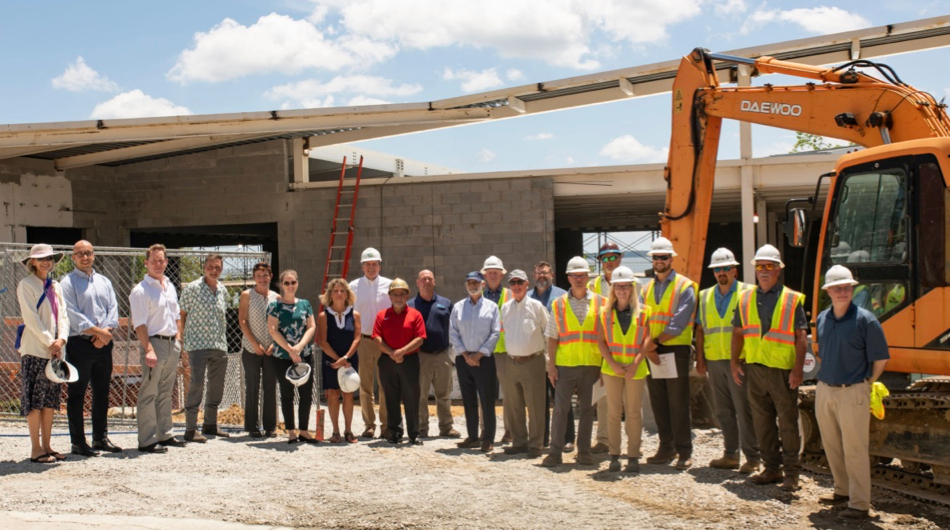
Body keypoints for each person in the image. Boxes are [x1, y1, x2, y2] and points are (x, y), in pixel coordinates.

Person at [815, 265, 889, 520]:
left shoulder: (865, 320)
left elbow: (880, 359)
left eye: (847, 287)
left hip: (852, 391)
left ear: (852, 289)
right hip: (825, 389)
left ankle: (859, 503)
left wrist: (866, 383)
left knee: (855, 448)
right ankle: (842, 490)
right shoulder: (823, 318)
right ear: (829, 291)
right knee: (832, 445)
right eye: (837, 287)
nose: (843, 291)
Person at [731, 244, 808, 491]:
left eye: (770, 266)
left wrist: (798, 369)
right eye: (760, 266)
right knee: (762, 422)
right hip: (755, 369)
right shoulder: (745, 298)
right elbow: (738, 333)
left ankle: (792, 473)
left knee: (787, 422)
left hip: (782, 372)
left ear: (778, 270)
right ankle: (771, 469)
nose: (764, 271)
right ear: (755, 270)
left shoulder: (792, 299)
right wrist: (734, 362)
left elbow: (801, 337)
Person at [695, 248, 760, 473]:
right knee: (723, 411)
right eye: (717, 269)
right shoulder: (704, 296)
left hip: (740, 361)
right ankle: (730, 455)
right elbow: (700, 329)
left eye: (726, 268)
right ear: (713, 272)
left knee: (744, 410)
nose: (721, 273)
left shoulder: (748, 293)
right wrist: (700, 359)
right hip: (714, 361)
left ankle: (752, 457)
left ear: (734, 270)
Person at [542, 256, 606, 467]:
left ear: (588, 277)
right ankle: (555, 452)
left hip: (592, 365)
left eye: (582, 275)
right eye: (574, 275)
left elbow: (606, 337)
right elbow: (552, 337)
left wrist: (604, 366)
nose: (579, 279)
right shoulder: (558, 304)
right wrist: (551, 366)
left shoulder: (600, 302)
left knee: (588, 409)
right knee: (561, 408)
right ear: (568, 278)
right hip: (565, 366)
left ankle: (584, 451)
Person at [60, 240, 122, 456]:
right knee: (77, 394)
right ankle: (78, 442)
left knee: (102, 393)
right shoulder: (66, 283)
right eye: (79, 254)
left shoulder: (104, 281)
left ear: (94, 255)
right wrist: (99, 332)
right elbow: (72, 314)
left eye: (88, 253)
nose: (84, 257)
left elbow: (113, 308)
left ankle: (100, 438)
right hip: (80, 344)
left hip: (104, 344)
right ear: (73, 258)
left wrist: (106, 333)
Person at [642, 237, 697, 470]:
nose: (660, 261)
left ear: (671, 259)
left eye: (664, 257)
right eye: (656, 257)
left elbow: (678, 323)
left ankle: (684, 451)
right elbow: (642, 320)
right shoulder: (646, 289)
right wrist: (648, 347)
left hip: (674, 348)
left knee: (678, 402)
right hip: (652, 349)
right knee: (659, 402)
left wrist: (652, 344)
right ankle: (666, 447)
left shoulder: (686, 286)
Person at [596, 266, 658, 473]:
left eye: (626, 286)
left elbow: (647, 339)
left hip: (635, 369)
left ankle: (633, 457)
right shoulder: (604, 313)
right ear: (613, 289)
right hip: (612, 368)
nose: (622, 290)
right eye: (618, 286)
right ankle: (614, 455)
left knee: (633, 413)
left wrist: (636, 363)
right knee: (613, 413)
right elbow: (601, 341)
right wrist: (613, 364)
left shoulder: (644, 311)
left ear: (632, 288)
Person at [16, 244, 70, 463]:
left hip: (54, 352)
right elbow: (31, 318)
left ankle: (47, 446)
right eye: (41, 259)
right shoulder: (25, 285)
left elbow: (63, 316)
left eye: (49, 258)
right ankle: (35, 448)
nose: (46, 262)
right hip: (35, 350)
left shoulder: (55, 285)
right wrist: (51, 342)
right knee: (35, 401)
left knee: (49, 401)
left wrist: (62, 340)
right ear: (33, 263)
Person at [130, 243, 185, 453]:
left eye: (161, 260)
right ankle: (146, 440)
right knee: (149, 392)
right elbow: (140, 324)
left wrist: (178, 339)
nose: (158, 264)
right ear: (146, 263)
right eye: (154, 260)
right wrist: (149, 349)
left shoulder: (169, 285)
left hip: (172, 343)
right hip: (154, 343)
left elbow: (177, 315)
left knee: (165, 391)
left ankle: (165, 433)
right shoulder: (140, 291)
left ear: (166, 262)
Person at [499, 269, 549, 458]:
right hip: (511, 361)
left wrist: (548, 362)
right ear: (510, 286)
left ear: (527, 284)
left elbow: (548, 333)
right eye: (513, 283)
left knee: (535, 405)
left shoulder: (537, 307)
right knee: (514, 405)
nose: (517, 286)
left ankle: (536, 444)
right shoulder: (506, 308)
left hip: (533, 361)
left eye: (520, 282)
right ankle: (519, 442)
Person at [180, 253, 230, 442]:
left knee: (216, 387)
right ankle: (190, 429)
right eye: (211, 266)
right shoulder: (192, 289)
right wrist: (183, 340)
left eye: (217, 267)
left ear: (221, 269)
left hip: (219, 345)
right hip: (197, 345)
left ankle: (210, 424)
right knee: (197, 385)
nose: (214, 270)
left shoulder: (223, 291)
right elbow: (181, 315)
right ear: (204, 267)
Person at [450, 272, 501, 452]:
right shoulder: (458, 307)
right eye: (470, 282)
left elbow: (495, 333)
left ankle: (488, 438)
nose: (473, 285)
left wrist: (478, 355)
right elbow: (453, 332)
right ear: (465, 286)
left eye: (476, 282)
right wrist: (465, 355)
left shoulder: (492, 307)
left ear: (483, 285)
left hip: (484, 360)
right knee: (468, 399)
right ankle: (472, 436)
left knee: (487, 400)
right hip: (463, 359)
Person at [373, 278, 427, 445]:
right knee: (391, 397)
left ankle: (414, 433)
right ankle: (395, 432)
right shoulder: (382, 315)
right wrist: (391, 353)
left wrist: (402, 351)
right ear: (390, 296)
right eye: (395, 294)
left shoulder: (415, 314)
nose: (398, 298)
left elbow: (420, 338)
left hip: (409, 360)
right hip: (387, 360)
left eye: (402, 294)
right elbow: (376, 337)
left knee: (411, 397)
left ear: (407, 295)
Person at [267, 270, 318, 444]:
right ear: (281, 285)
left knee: (306, 393)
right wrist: (290, 350)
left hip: (304, 354)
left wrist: (300, 347)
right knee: (287, 394)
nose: (290, 286)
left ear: (297, 283)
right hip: (282, 356)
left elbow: (311, 327)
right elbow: (273, 330)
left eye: (293, 282)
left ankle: (303, 430)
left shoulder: (305, 304)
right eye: (286, 283)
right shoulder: (275, 306)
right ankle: (291, 432)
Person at [408, 270, 459, 438]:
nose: (427, 282)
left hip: (443, 355)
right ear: (418, 282)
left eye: (430, 279)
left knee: (443, 395)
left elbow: (454, 327)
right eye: (424, 279)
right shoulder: (411, 305)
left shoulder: (445, 303)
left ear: (434, 282)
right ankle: (422, 428)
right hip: (421, 356)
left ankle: (446, 427)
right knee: (421, 395)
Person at [528, 261, 573, 451]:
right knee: (540, 400)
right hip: (536, 355)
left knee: (562, 399)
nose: (541, 277)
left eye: (545, 273)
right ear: (533, 275)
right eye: (538, 273)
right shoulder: (527, 297)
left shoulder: (562, 296)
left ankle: (568, 438)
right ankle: (543, 439)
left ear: (552, 275)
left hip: (557, 354)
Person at [588, 242, 628, 454]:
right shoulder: (592, 287)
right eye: (605, 258)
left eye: (613, 257)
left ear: (620, 259)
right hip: (602, 348)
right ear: (600, 261)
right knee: (603, 396)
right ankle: (604, 440)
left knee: (630, 399)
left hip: (627, 347)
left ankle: (632, 443)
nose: (610, 262)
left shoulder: (632, 283)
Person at [349, 247, 392, 439]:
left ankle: (385, 425)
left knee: (385, 384)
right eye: (368, 264)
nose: (371, 267)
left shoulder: (390, 286)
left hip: (385, 341)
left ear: (380, 265)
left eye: (375, 264)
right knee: (365, 385)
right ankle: (369, 425)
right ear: (362, 266)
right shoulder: (354, 287)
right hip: (365, 340)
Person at [317, 278, 361, 444]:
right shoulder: (324, 315)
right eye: (335, 291)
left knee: (348, 394)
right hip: (331, 360)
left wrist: (345, 358)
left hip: (350, 358)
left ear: (347, 294)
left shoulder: (354, 314)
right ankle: (335, 431)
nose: (339, 294)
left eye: (342, 291)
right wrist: (338, 360)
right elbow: (322, 341)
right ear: (330, 294)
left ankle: (348, 430)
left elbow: (357, 339)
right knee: (333, 394)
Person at [238, 262, 279, 438]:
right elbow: (243, 320)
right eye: (259, 275)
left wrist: (274, 345)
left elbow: (280, 323)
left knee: (270, 386)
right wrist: (254, 344)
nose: (262, 278)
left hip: (271, 349)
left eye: (265, 275)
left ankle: (270, 426)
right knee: (252, 386)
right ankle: (252, 426)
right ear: (254, 278)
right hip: (251, 348)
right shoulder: (247, 295)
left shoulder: (276, 298)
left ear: (270, 276)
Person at [481, 255, 512, 444]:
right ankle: (486, 430)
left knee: (509, 394)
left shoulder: (510, 294)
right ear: (485, 275)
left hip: (506, 351)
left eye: (496, 272)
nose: (492, 275)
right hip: (485, 350)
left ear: (502, 275)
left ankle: (509, 430)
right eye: (489, 272)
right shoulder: (478, 293)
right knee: (485, 393)